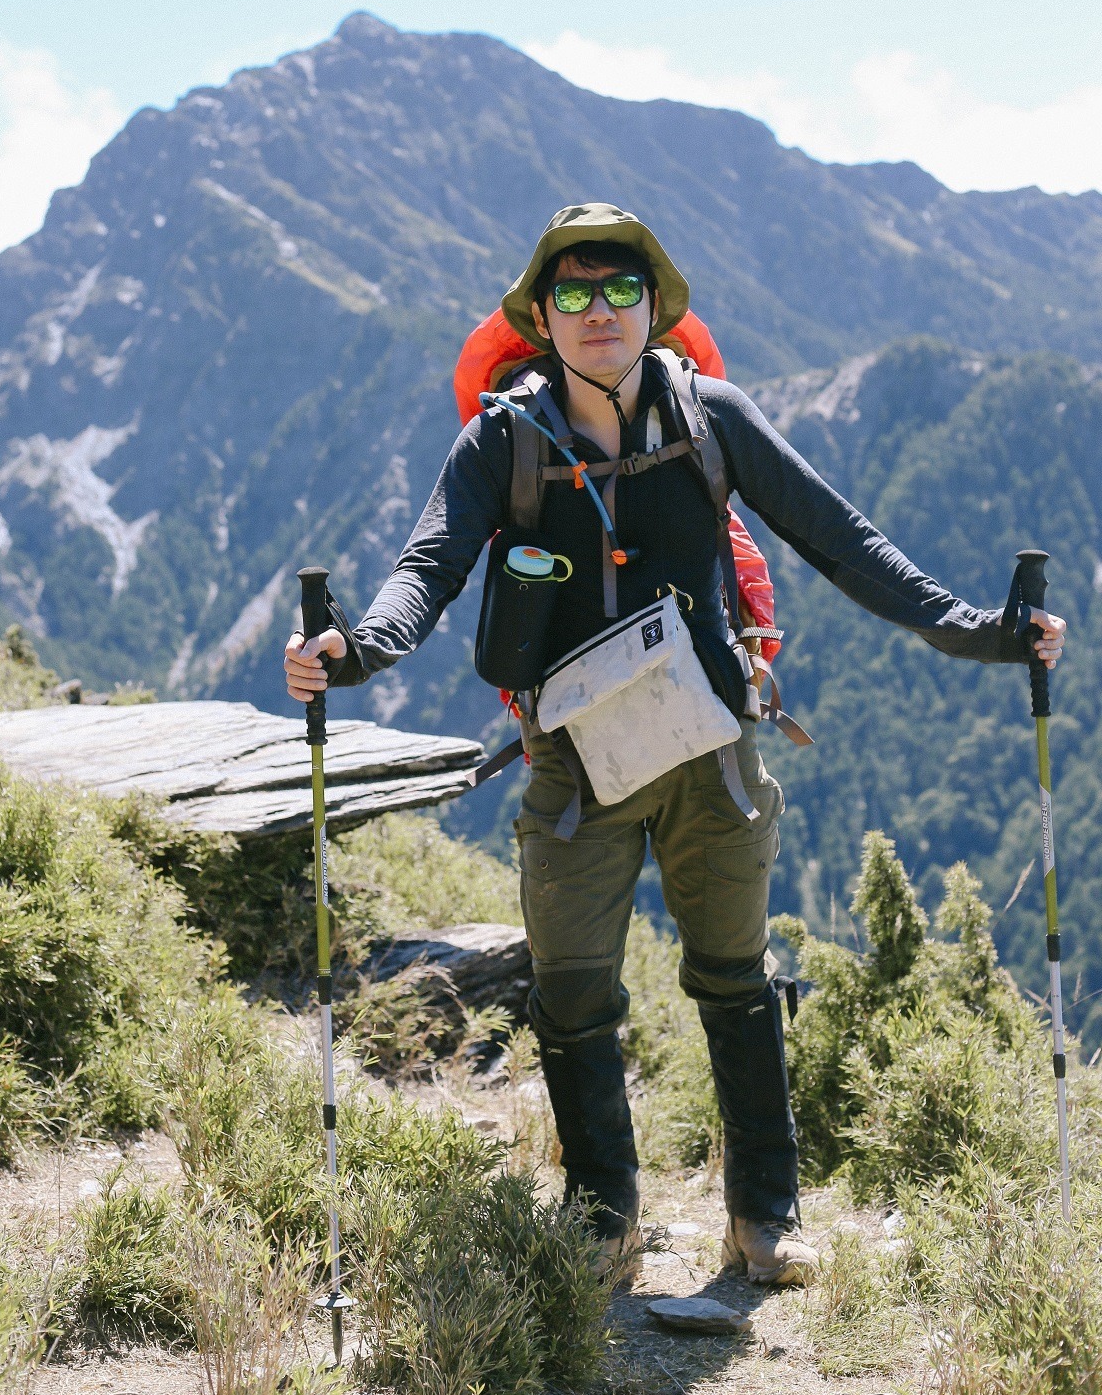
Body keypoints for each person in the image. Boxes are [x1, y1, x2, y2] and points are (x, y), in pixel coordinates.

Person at [284, 203, 1067, 1288]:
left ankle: (764, 1220)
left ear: (653, 307)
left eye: (619, 289)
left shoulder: (714, 419)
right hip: (572, 758)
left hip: (710, 744)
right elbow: (430, 566)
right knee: (571, 992)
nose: (598, 309)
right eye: (573, 291)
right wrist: (356, 647)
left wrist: (985, 633)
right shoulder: (501, 440)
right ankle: (604, 1223)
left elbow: (846, 544)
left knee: (735, 979)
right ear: (542, 317)